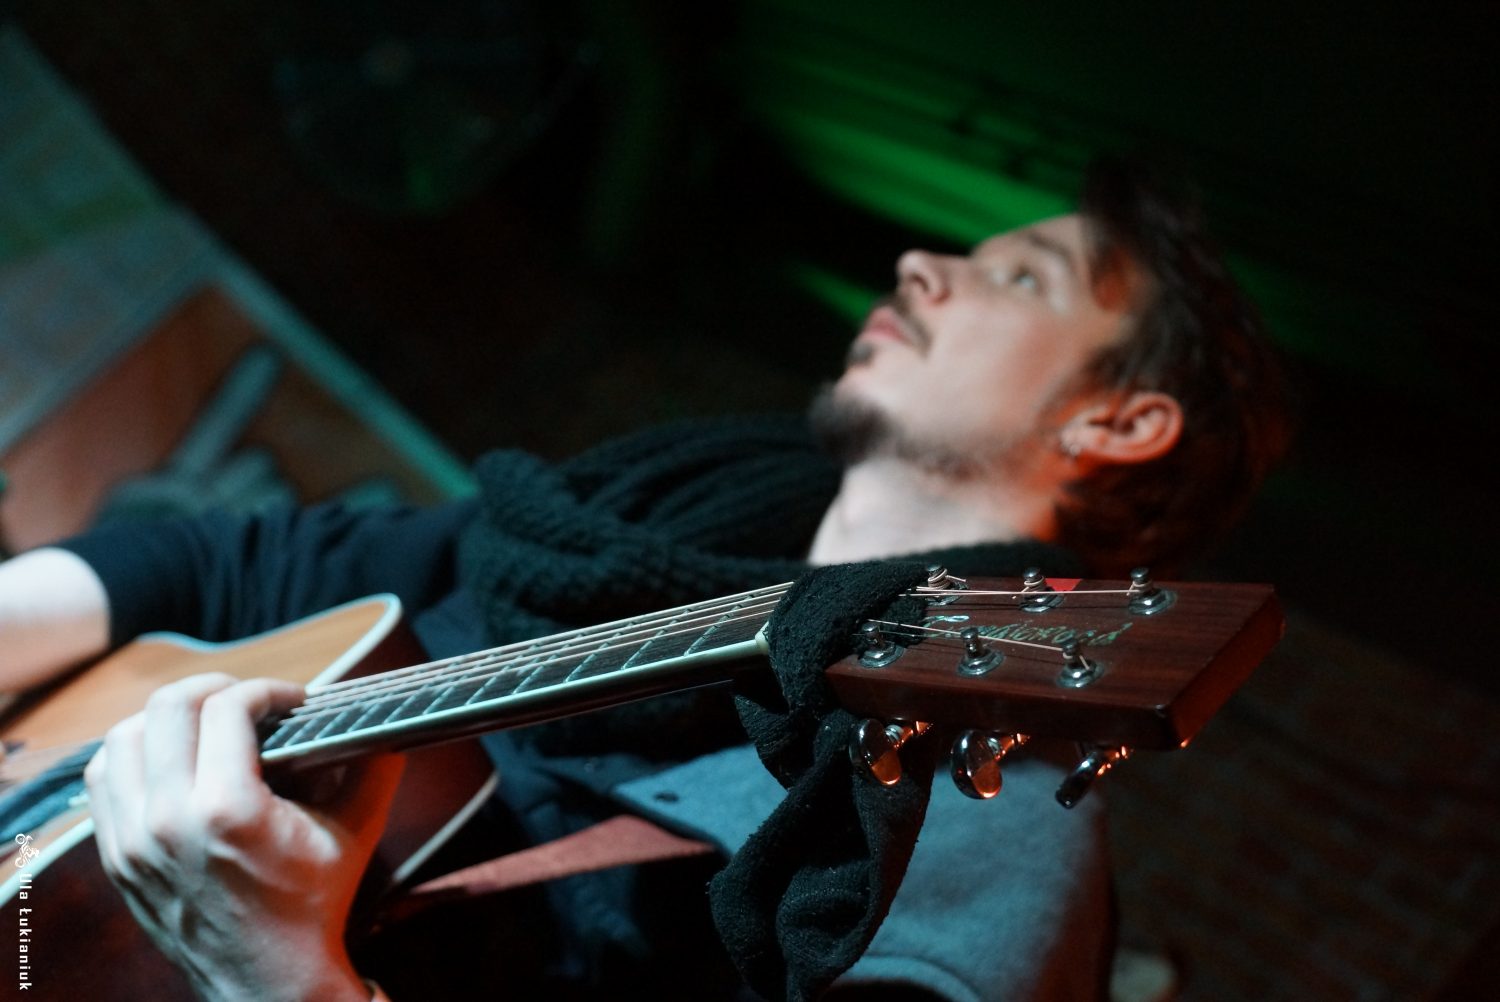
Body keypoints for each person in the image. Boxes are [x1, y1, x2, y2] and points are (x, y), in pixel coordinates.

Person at [0, 158, 1290, 1000]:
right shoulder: (635, 522)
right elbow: (237, 561)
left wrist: (275, 971)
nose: (921, 264)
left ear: (1119, 423)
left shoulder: (979, 815)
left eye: (1019, 276)